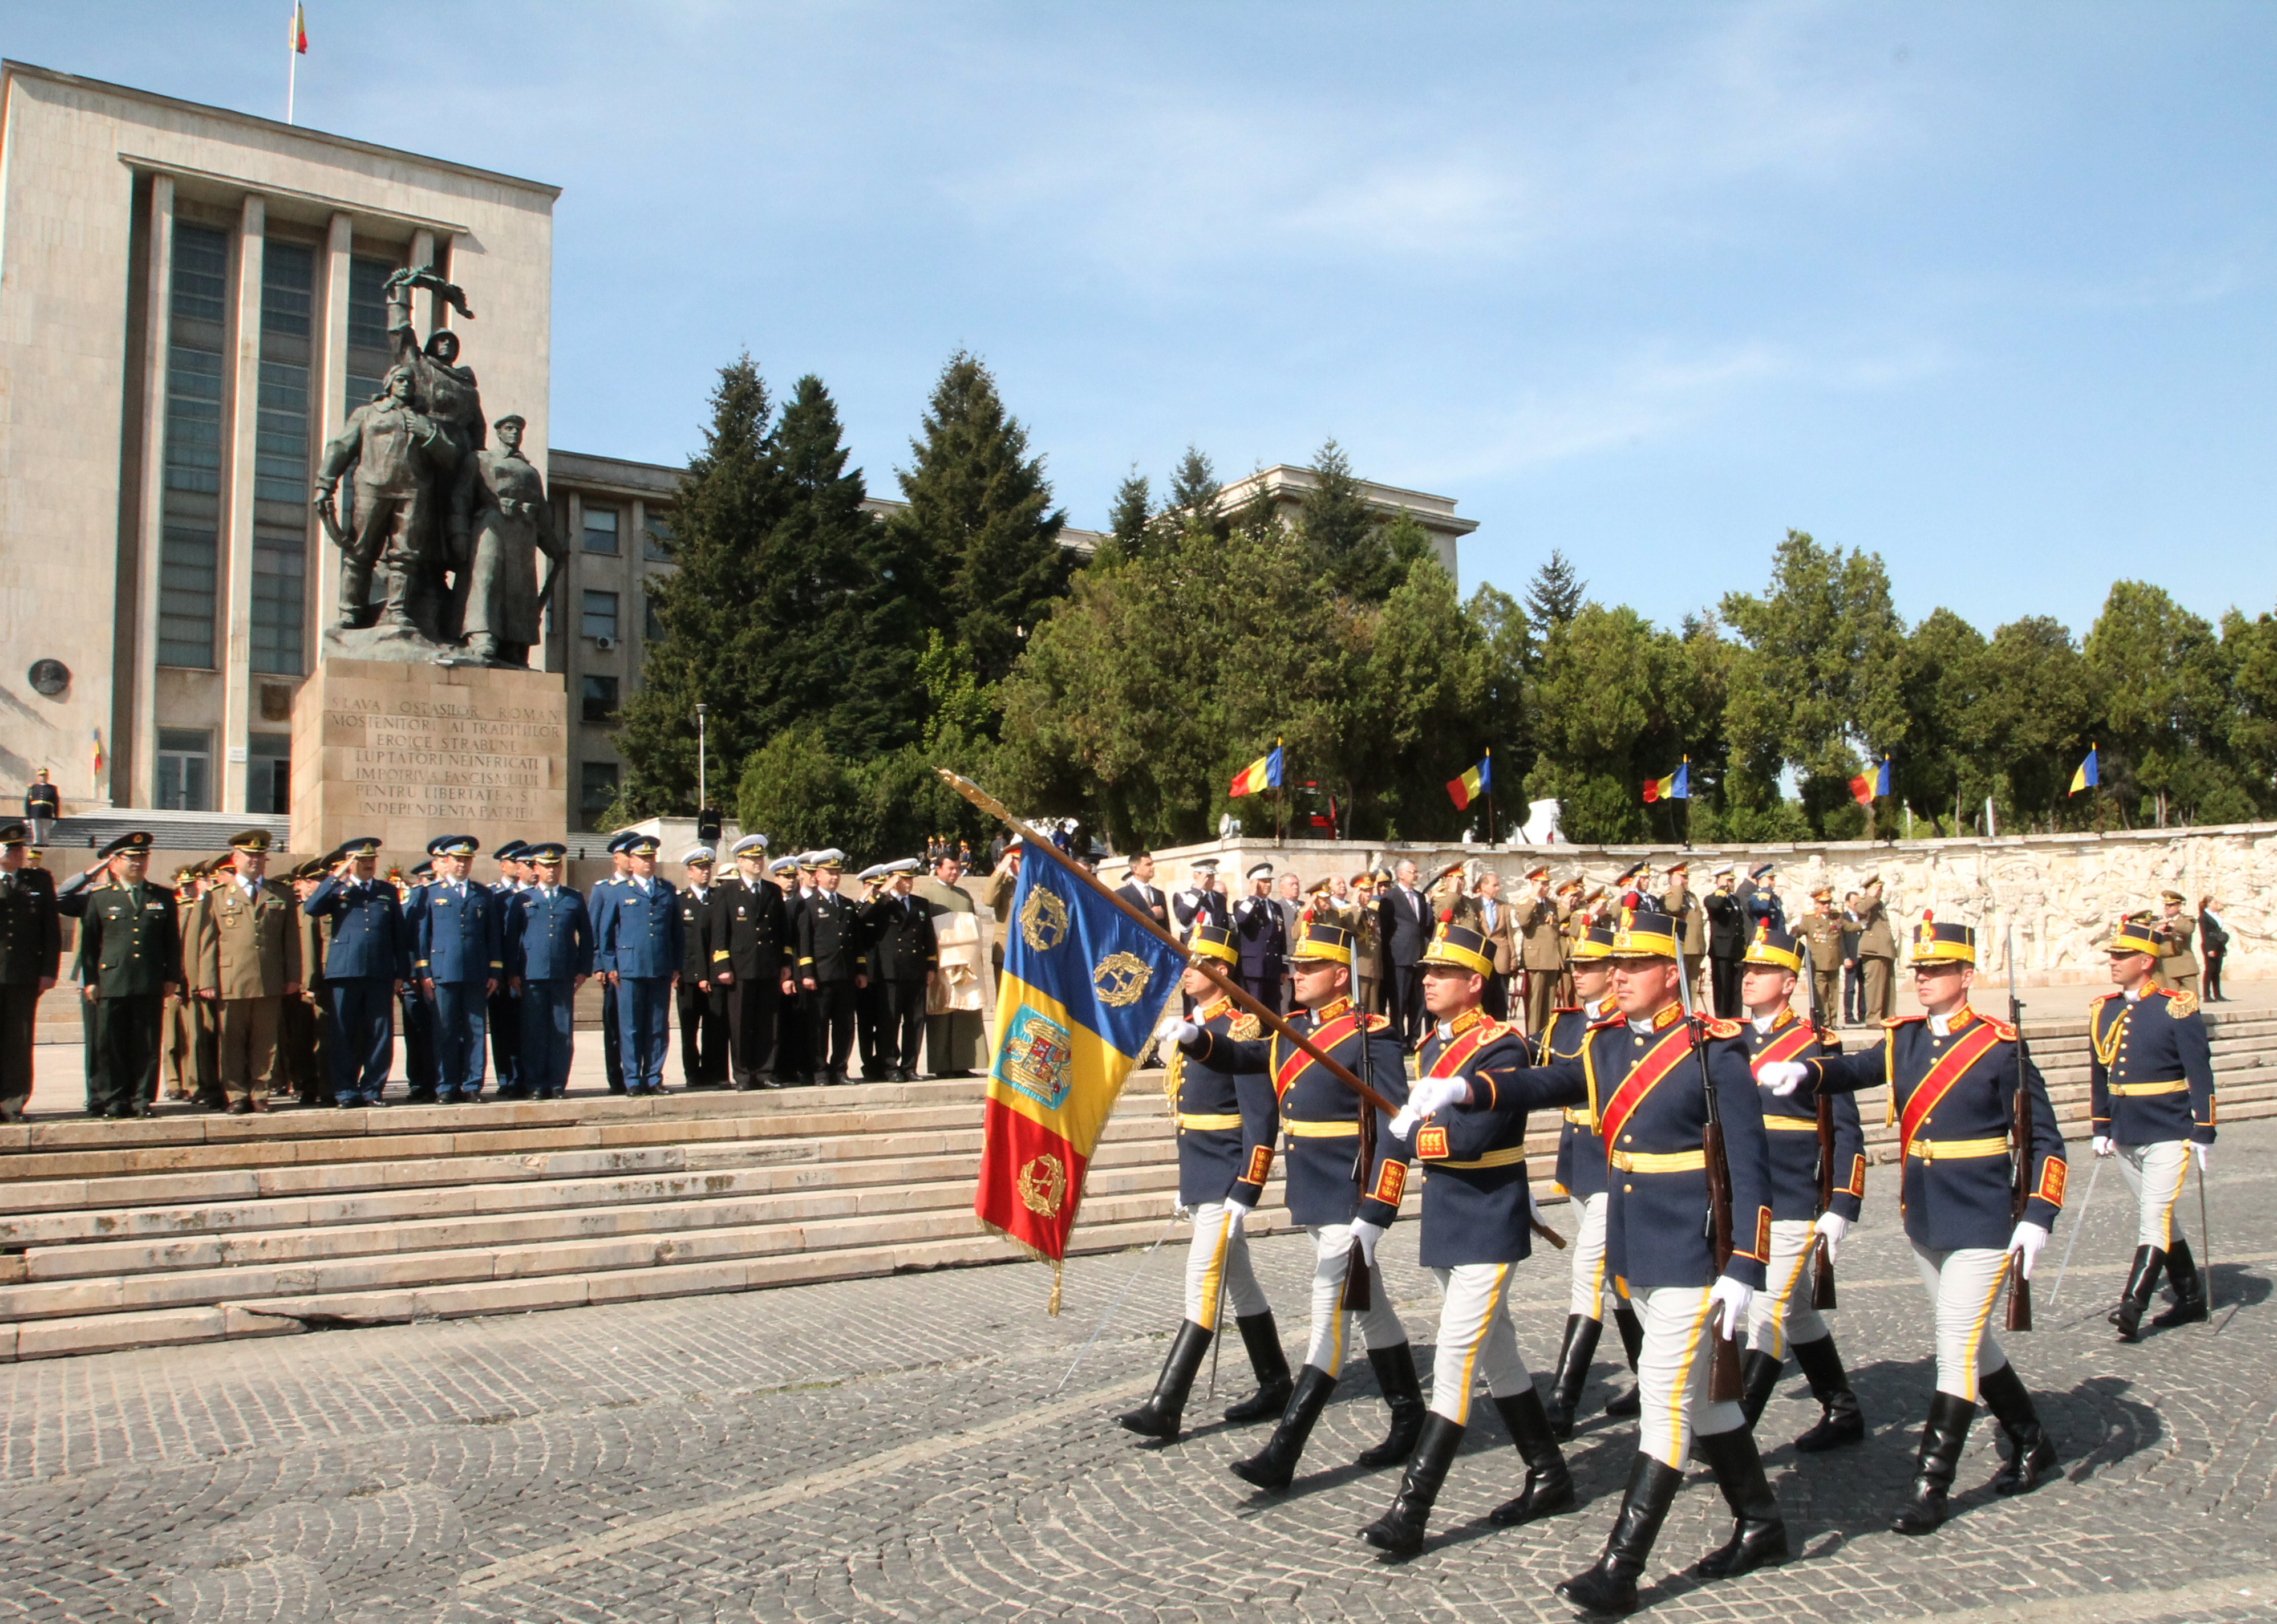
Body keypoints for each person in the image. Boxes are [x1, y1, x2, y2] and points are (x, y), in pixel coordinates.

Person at [1473, 909, 1783, 1613]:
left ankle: (1619, 1566)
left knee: (1665, 1405)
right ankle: (1761, 1521)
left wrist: (1745, 1264)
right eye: (1612, 964)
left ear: (1671, 975)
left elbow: (1749, 1167)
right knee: (1705, 1404)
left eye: (1634, 964)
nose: (1617, 975)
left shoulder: (1713, 1051)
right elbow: (1548, 1085)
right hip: (1636, 1243)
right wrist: (1471, 1089)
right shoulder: (1606, 1045)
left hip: (1693, 1250)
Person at [1757, 916, 2067, 1536]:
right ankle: (2030, 1439)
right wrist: (1808, 1073)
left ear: (1965, 977)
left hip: (1981, 1215)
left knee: (1953, 1343)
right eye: (1918, 970)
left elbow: (2044, 1138)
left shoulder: (1999, 1045)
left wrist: (2037, 1213)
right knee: (1972, 1342)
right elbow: (1856, 1071)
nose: (1922, 979)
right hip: (1924, 1210)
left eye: (1936, 971)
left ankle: (1931, 1484)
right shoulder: (1905, 1040)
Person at [1163, 919, 1417, 1492]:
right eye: (1293, 967)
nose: (1295, 975)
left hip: (1350, 1198)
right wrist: (1196, 1040)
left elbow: (1394, 1129)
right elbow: (1245, 1058)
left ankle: (1283, 1452)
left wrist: (1377, 1209)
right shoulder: (1290, 1029)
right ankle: (1409, 1414)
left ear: (1338, 974)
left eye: (1307, 968)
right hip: (1314, 1194)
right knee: (1371, 1308)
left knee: (1328, 1321)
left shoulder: (1369, 1035)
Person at [1364, 923, 1575, 1560]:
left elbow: (1470, 1138)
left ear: (1473, 983)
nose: (1425, 979)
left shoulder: (1500, 1047)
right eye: (1424, 971)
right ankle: (1549, 1473)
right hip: (1448, 1219)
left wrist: (1411, 1128)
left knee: (1454, 1360)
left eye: (1440, 972)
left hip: (1488, 1218)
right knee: (1499, 1356)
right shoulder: (1433, 1044)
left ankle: (1412, 1508)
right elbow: (1425, 1130)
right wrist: (1395, 1151)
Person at [1119, 921, 1291, 1443]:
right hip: (1202, 1171)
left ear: (1222, 971)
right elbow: (1186, 1112)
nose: (1186, 974)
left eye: (1197, 966)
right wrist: (1186, 1178)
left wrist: (1248, 1187)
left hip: (1226, 1175)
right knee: (1239, 1280)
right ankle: (1276, 1381)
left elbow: (1260, 1120)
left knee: (1202, 1280)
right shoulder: (1190, 1023)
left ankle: (1166, 1403)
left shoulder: (1241, 1029)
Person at [1732, 925, 1867, 1450]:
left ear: (1789, 983)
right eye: (1747, 970)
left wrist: (1842, 1203)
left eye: (1762, 972)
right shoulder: (1732, 1040)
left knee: (1769, 1311)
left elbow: (1845, 1130)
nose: (1749, 978)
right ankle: (1842, 1407)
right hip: (1747, 1199)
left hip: (1793, 1197)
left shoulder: (1815, 1043)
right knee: (1798, 1310)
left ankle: (1736, 1427)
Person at [1534, 923, 1642, 1439]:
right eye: (1575, 966)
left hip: (1614, 1160)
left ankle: (1564, 1396)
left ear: (1613, 972)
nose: (1579, 975)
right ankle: (1648, 1374)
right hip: (1578, 1158)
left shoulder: (1628, 1026)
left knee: (1586, 1270)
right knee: (1617, 1279)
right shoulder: (1565, 1024)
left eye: (1590, 967)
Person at [2088, 917, 2216, 1336]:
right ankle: (2191, 1295)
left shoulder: (2175, 1006)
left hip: (2169, 1128)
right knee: (2162, 1218)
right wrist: (2101, 1125)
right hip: (2127, 1128)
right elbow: (2100, 1074)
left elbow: (2200, 1072)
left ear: (2146, 961)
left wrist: (2204, 1129)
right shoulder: (2104, 1009)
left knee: (2153, 1217)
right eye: (2113, 955)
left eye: (2122, 956)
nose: (2113, 961)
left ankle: (2132, 1305)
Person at [190, 830, 303, 1116]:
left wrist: (293, 976)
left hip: (269, 977)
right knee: (232, 1039)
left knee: (266, 1041)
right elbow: (208, 942)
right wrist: (207, 980)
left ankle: (260, 1092)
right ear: (235, 858)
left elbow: (290, 939)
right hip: (232, 979)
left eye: (259, 856)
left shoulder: (280, 893)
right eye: (249, 856)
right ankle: (236, 1093)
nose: (254, 861)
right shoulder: (217, 896)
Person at [75, 832, 183, 1120]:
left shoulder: (161, 896)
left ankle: (141, 1099)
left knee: (146, 1043)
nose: (138, 863)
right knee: (111, 1044)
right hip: (112, 980)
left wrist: (172, 976)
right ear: (114, 863)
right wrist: (91, 980)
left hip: (148, 979)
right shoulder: (100, 898)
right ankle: (113, 1099)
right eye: (132, 858)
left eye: (143, 857)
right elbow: (90, 944)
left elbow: (172, 941)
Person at [303, 839, 404, 1107]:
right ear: (350, 863)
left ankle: (372, 1089)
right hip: (345, 971)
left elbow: (399, 935)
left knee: (379, 1034)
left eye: (372, 860)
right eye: (361, 860)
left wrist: (400, 972)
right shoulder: (338, 890)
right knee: (343, 1033)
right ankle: (345, 1091)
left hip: (379, 971)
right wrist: (336, 876)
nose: (368, 865)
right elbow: (311, 907)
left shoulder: (387, 891)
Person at [412, 835, 498, 1104]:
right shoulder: (429, 892)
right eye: (457, 860)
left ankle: (472, 1084)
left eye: (467, 860)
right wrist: (424, 972)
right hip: (443, 972)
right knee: (445, 1030)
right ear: (445, 862)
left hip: (475, 972)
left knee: (475, 1031)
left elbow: (493, 935)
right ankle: (446, 1085)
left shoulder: (482, 893)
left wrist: (495, 971)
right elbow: (421, 936)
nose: (462, 865)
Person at [505, 842, 591, 1099]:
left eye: (555, 865)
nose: (551, 870)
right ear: (535, 868)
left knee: (561, 1031)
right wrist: (512, 972)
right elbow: (512, 938)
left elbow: (586, 936)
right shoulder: (523, 899)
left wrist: (583, 969)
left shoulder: (573, 898)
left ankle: (557, 1082)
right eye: (545, 866)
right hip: (532, 974)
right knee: (534, 1031)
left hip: (564, 973)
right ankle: (536, 1082)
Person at [599, 833, 681, 1096]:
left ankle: (654, 1077)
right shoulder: (619, 891)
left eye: (651, 857)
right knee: (631, 1027)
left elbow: (677, 932)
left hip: (659, 967)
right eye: (642, 858)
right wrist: (610, 964)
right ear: (630, 862)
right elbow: (606, 932)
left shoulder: (666, 890)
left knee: (658, 1026)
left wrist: (676, 964)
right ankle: (633, 1079)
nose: (648, 862)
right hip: (629, 969)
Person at [714, 835, 795, 1090]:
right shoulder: (727, 892)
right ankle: (743, 1074)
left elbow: (783, 932)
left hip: (768, 966)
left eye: (760, 858)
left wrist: (785, 962)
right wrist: (723, 966)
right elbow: (720, 934)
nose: (758, 863)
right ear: (740, 862)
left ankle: (765, 1071)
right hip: (740, 968)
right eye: (752, 859)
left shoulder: (772, 891)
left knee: (768, 1023)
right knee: (741, 1024)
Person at [0, 822, 60, 1120]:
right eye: (11, 848)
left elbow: (51, 929)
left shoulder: (38, 881)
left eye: (19, 847)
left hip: (23, 974)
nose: (18, 853)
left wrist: (48, 970)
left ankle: (13, 1101)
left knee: (19, 1040)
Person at [913, 847, 988, 1078]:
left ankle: (963, 1062)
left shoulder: (965, 895)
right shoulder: (928, 895)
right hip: (942, 963)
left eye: (958, 869)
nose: (955, 873)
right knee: (942, 1012)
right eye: (951, 869)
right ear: (938, 869)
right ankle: (943, 1065)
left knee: (965, 1013)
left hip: (966, 965)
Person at [860, 859, 935, 1082]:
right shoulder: (883, 904)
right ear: (894, 880)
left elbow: (928, 938)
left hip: (915, 970)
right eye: (904, 879)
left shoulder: (920, 904)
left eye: (910, 878)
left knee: (915, 1021)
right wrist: (881, 892)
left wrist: (931, 965)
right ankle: (890, 1065)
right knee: (889, 1021)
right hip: (890, 971)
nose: (909, 883)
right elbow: (862, 915)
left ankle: (910, 1066)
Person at [796, 849, 861, 1086]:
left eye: (837, 873)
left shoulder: (846, 904)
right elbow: (804, 943)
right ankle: (820, 1071)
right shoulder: (809, 905)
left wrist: (860, 970)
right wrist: (807, 973)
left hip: (845, 975)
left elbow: (856, 942)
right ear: (818, 876)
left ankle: (840, 1068)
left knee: (845, 1026)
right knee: (819, 1026)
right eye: (829, 873)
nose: (834, 878)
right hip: (821, 977)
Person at [675, 847, 729, 1087]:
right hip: (687, 977)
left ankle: (714, 1072)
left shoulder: (718, 899)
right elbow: (680, 943)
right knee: (689, 1030)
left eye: (708, 868)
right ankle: (692, 1073)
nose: (705, 873)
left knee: (715, 1027)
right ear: (689, 872)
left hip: (714, 975)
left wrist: (711, 974)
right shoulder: (680, 902)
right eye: (700, 868)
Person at [284, 858, 331, 1107]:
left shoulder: (327, 907)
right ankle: (307, 1085)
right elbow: (307, 950)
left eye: (323, 880)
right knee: (306, 1039)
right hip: (309, 985)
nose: (320, 884)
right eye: (315, 881)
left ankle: (325, 1085)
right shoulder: (304, 910)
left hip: (329, 980)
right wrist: (310, 983)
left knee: (327, 1038)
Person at [485, 841, 528, 1098]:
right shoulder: (494, 896)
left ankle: (526, 1076)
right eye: (515, 862)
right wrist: (497, 972)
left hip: (526, 971)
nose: (520, 866)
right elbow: (493, 937)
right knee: (503, 1030)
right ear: (503, 866)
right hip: (502, 975)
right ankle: (507, 1079)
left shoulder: (532, 893)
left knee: (526, 1029)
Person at [395, 862, 440, 1101]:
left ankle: (437, 1080)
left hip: (440, 976)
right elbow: (406, 940)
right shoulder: (412, 902)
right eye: (428, 880)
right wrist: (410, 975)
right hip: (415, 979)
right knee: (417, 1031)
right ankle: (418, 1081)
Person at [1379, 860, 1431, 1049]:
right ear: (1401, 874)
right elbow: (1385, 928)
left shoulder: (1420, 897)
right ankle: (1398, 1039)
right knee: (1399, 1001)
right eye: (1413, 872)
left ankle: (1414, 1038)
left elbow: (1423, 925)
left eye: (1417, 872)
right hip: (1399, 956)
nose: (1416, 875)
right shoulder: (1390, 897)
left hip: (1419, 955)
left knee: (1418, 1001)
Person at [770, 853, 812, 1083]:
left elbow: (799, 942)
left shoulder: (800, 904)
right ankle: (778, 1068)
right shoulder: (773, 902)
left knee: (797, 1024)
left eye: (792, 876)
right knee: (778, 1026)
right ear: (776, 879)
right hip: (776, 972)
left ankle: (797, 1068)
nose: (790, 880)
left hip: (794, 972)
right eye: (785, 876)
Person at [1515, 866, 1565, 1036]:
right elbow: (1523, 921)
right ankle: (1533, 1039)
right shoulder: (1525, 904)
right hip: (1536, 960)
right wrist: (1534, 897)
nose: (1546, 887)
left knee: (1549, 1004)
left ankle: (1545, 1037)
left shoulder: (1552, 905)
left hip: (1552, 958)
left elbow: (1565, 917)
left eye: (1547, 884)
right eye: (1542, 884)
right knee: (1535, 1004)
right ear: (1533, 884)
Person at [1233, 862, 1287, 1015]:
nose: (1268, 885)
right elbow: (1241, 919)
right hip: (1253, 968)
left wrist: (1284, 967)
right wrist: (1252, 897)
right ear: (1254, 883)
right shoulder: (1243, 903)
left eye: (1270, 881)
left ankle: (1272, 1038)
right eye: (1263, 882)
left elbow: (1281, 938)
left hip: (1273, 966)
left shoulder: (1275, 907)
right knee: (1254, 1009)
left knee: (1273, 1010)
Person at [1661, 862, 1707, 1011]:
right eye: (1682, 877)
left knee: (1692, 987)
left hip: (1695, 948)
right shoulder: (1671, 896)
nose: (1685, 881)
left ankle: (1691, 1013)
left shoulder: (1691, 897)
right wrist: (1677, 887)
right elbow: (1673, 908)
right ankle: (1680, 1013)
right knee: (1680, 987)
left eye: (1686, 878)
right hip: (1683, 948)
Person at [1703, 865, 1747, 1019]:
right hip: (1721, 951)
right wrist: (1721, 891)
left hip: (1736, 951)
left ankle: (1736, 1019)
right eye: (1728, 881)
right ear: (1719, 881)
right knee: (1722, 990)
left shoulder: (1735, 900)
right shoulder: (1713, 898)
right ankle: (1722, 1019)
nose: (1731, 884)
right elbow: (1715, 906)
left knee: (1736, 990)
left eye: (1732, 881)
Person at [1798, 886, 1844, 1020]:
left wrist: (1865, 924)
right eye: (1823, 903)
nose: (1827, 906)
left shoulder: (1836, 917)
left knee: (1834, 994)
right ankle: (1823, 1020)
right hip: (1818, 963)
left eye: (1828, 903)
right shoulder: (1810, 919)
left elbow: (1849, 926)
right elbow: (1799, 931)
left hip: (1834, 961)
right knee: (1820, 994)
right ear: (1816, 904)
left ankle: (1833, 1021)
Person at [1855, 877, 1897, 1024]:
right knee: (1875, 987)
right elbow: (1860, 910)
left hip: (1885, 950)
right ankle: (1873, 1019)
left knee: (1888, 988)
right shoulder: (1864, 901)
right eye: (1878, 889)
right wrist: (1871, 895)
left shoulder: (1878, 904)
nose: (1880, 892)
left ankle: (1888, 1016)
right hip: (1874, 951)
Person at [2151, 891, 2198, 997]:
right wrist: (2159, 930)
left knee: (2192, 997)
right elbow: (2151, 935)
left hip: (2186, 965)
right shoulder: (2159, 923)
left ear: (2180, 906)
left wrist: (2173, 926)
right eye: (2166, 905)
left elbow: (2188, 930)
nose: (2168, 908)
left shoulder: (2186, 920)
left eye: (2172, 905)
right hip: (2168, 966)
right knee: (2172, 998)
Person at [1116, 851, 1172, 932]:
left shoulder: (1159, 894)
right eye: (1148, 865)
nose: (1152, 867)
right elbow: (1124, 923)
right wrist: (1151, 915)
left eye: (1152, 864)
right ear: (1135, 869)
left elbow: (1166, 927)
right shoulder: (1122, 895)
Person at [1170, 856, 1228, 932]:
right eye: (1207, 877)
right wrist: (1196, 891)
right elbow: (1184, 919)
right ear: (1196, 876)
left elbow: (1223, 925)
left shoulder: (1219, 898)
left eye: (1213, 877)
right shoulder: (1182, 896)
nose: (1211, 880)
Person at [1839, 891, 1865, 1026]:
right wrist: (1845, 957)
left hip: (1863, 956)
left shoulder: (1864, 917)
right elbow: (1841, 939)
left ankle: (1863, 1014)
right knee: (1850, 988)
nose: (1857, 905)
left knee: (1864, 987)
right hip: (1851, 956)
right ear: (1848, 903)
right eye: (1855, 902)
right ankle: (1848, 1016)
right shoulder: (1844, 918)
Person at [2197, 895, 2228, 1001]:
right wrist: (2210, 949)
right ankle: (2207, 995)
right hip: (2210, 945)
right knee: (2210, 970)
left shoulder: (2215, 915)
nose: (2217, 904)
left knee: (2217, 971)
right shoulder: (2204, 917)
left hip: (2219, 945)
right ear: (2209, 904)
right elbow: (2205, 934)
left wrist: (2223, 947)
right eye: (2215, 902)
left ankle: (2218, 994)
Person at [23, 769, 59, 849]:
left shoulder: (52, 788)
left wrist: (56, 817)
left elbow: (56, 803)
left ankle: (45, 850)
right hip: (35, 813)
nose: (43, 778)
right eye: (41, 776)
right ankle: (36, 849)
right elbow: (27, 803)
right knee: (37, 836)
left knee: (46, 836)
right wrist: (27, 817)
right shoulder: (33, 788)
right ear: (38, 777)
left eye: (45, 776)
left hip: (47, 814)